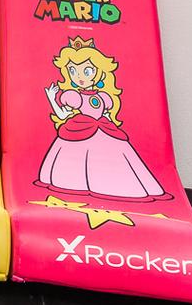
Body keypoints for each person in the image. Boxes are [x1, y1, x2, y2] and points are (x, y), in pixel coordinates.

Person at [37, 42, 168, 202]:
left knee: (116, 161)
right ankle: (77, 184)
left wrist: (110, 126)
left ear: (99, 72)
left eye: (87, 71)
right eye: (72, 71)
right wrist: (51, 98)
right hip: (80, 131)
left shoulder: (103, 97)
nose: (79, 77)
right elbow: (63, 114)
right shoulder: (74, 97)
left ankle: (116, 186)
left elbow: (106, 114)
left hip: (104, 131)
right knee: (78, 164)